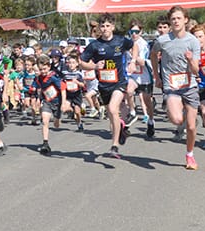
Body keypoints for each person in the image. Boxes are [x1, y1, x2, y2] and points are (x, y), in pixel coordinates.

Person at [151, 6, 202, 169]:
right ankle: (174, 111)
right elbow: (153, 55)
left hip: (190, 86)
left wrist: (190, 60)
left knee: (192, 126)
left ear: (185, 20)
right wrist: (156, 75)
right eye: (173, 19)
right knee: (177, 119)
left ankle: (190, 155)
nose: (176, 21)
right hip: (171, 85)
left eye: (179, 18)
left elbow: (196, 70)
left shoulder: (193, 41)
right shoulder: (162, 40)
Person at [79, 13, 134, 159]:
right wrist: (94, 66)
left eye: (108, 26)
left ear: (113, 27)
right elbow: (82, 63)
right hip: (104, 86)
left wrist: (133, 61)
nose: (105, 29)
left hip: (120, 82)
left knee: (112, 108)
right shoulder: (95, 45)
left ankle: (114, 146)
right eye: (102, 26)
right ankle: (122, 129)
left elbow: (133, 46)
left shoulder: (121, 41)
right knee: (112, 116)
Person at [124, 21, 156, 138]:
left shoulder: (144, 45)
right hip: (133, 75)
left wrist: (134, 56)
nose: (134, 34)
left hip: (145, 76)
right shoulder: (127, 43)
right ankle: (132, 112)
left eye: (136, 32)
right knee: (129, 90)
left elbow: (143, 61)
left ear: (141, 32)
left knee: (148, 102)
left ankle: (151, 121)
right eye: (131, 32)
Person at [32, 54, 63, 155]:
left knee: (56, 124)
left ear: (49, 67)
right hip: (47, 102)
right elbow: (39, 89)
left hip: (57, 102)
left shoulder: (54, 77)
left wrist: (65, 102)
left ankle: (57, 119)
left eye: (45, 69)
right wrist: (37, 99)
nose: (43, 71)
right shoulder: (39, 78)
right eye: (41, 69)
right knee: (45, 121)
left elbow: (63, 88)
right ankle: (45, 143)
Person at [61, 53, 87, 131]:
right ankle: (71, 110)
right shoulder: (65, 73)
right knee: (64, 109)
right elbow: (62, 82)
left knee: (78, 112)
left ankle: (79, 123)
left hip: (76, 94)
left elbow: (83, 85)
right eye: (70, 63)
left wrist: (77, 82)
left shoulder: (79, 74)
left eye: (73, 63)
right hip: (68, 94)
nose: (71, 65)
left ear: (76, 64)